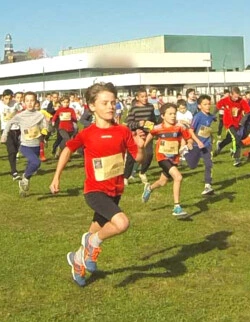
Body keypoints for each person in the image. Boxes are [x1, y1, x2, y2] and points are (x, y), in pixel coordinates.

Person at [49, 82, 146, 287]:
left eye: (113, 102)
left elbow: (137, 158)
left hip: (115, 190)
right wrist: (56, 176)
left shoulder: (123, 131)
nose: (111, 106)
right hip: (94, 191)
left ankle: (77, 260)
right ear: (92, 106)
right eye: (105, 103)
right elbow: (67, 150)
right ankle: (93, 243)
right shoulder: (87, 133)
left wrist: (141, 146)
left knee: (95, 229)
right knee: (121, 223)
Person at [141, 103, 193, 217]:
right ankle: (177, 207)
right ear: (163, 115)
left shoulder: (180, 127)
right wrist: (143, 147)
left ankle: (149, 188)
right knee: (178, 177)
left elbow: (188, 138)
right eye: (170, 114)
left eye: (174, 114)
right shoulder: (158, 128)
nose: (173, 116)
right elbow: (150, 134)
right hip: (162, 157)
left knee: (163, 182)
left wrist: (188, 144)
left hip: (174, 158)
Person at [1, 91, 47, 197]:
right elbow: (9, 123)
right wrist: (4, 135)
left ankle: (23, 184)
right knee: (36, 163)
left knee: (32, 165)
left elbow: (45, 127)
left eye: (32, 101)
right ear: (24, 102)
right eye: (27, 101)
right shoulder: (20, 115)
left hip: (36, 145)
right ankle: (25, 178)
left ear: (36, 102)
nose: (30, 103)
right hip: (25, 145)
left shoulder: (40, 115)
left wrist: (45, 131)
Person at [123, 87, 156, 185]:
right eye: (142, 97)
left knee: (149, 154)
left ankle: (142, 172)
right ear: (137, 98)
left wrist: (149, 126)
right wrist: (138, 125)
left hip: (147, 134)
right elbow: (129, 124)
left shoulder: (150, 107)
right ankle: (126, 177)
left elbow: (153, 121)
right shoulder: (133, 109)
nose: (145, 98)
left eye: (146, 96)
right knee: (131, 157)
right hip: (135, 135)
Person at [184, 95, 216, 195]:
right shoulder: (197, 116)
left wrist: (211, 138)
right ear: (199, 106)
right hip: (196, 145)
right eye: (205, 104)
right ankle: (184, 153)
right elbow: (190, 130)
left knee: (208, 164)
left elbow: (208, 128)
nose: (208, 106)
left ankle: (208, 186)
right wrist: (198, 141)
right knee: (192, 166)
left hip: (207, 145)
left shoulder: (210, 116)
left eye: (209, 104)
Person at [215, 87, 250, 166]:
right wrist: (212, 116)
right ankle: (236, 158)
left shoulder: (241, 101)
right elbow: (217, 107)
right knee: (236, 138)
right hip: (228, 123)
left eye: (237, 97)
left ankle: (220, 145)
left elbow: (248, 111)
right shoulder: (225, 100)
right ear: (231, 94)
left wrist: (242, 121)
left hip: (237, 123)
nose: (236, 98)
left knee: (229, 139)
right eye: (235, 97)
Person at [0, 90, 22, 180]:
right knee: (11, 150)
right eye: (6, 98)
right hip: (5, 130)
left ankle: (13, 169)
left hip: (17, 129)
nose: (8, 101)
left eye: (9, 98)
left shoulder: (15, 104)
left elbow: (22, 112)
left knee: (16, 149)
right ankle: (14, 171)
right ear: (2, 97)